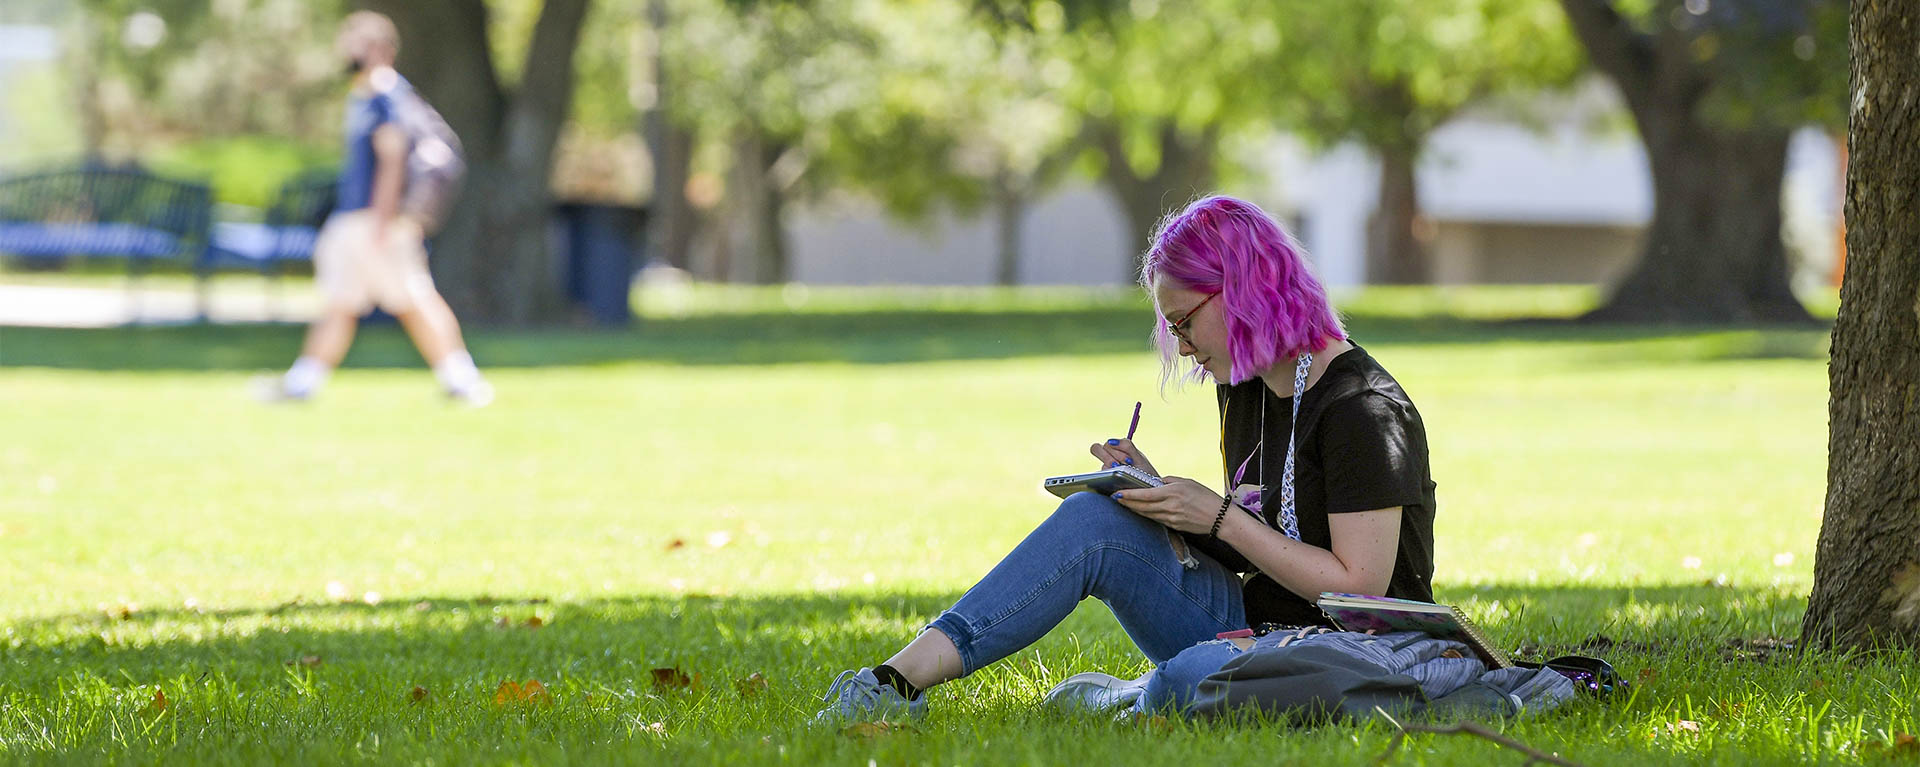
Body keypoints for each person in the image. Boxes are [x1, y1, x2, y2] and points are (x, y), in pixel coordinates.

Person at [813, 195, 1437, 723]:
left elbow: (1361, 591)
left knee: (1185, 680)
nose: (1185, 347)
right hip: (1255, 628)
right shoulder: (1251, 387)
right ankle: (893, 683)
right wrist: (1162, 498)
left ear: (1243, 291)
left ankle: (1139, 692)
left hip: (1351, 653)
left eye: (1186, 324)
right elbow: (1268, 540)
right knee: (1095, 521)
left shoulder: (1364, 408)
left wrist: (1217, 517)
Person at [260, 11, 491, 406]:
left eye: (359, 45)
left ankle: (462, 379)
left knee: (414, 298)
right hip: (359, 221)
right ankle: (303, 382)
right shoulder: (366, 93)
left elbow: (393, 159)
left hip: (376, 221)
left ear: (382, 50)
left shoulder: (385, 94)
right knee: (342, 301)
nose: (349, 53)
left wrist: (383, 223)